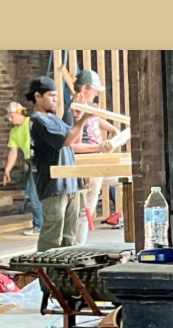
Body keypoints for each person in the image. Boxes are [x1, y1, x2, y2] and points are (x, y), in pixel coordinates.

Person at [25, 76, 81, 250]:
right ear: (38, 96)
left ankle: (66, 276)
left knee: (70, 238)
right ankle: (47, 275)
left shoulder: (54, 118)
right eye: (51, 95)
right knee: (52, 238)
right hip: (54, 186)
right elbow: (66, 140)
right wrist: (85, 118)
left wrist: (77, 118)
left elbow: (72, 139)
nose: (55, 99)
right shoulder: (39, 121)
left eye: (56, 95)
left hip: (70, 184)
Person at [66, 68, 117, 238]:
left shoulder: (86, 106)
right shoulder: (73, 112)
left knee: (126, 179)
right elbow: (72, 146)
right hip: (88, 161)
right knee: (89, 201)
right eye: (94, 89)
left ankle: (81, 234)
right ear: (84, 88)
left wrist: (111, 128)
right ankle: (80, 237)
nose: (96, 93)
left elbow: (95, 118)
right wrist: (98, 148)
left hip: (98, 158)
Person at [2, 100, 42, 236]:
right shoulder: (14, 132)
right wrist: (8, 169)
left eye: (11, 116)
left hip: (42, 161)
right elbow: (13, 152)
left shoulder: (33, 123)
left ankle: (41, 225)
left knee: (37, 194)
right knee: (32, 195)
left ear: (19, 113)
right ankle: (40, 225)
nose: (9, 119)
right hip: (32, 163)